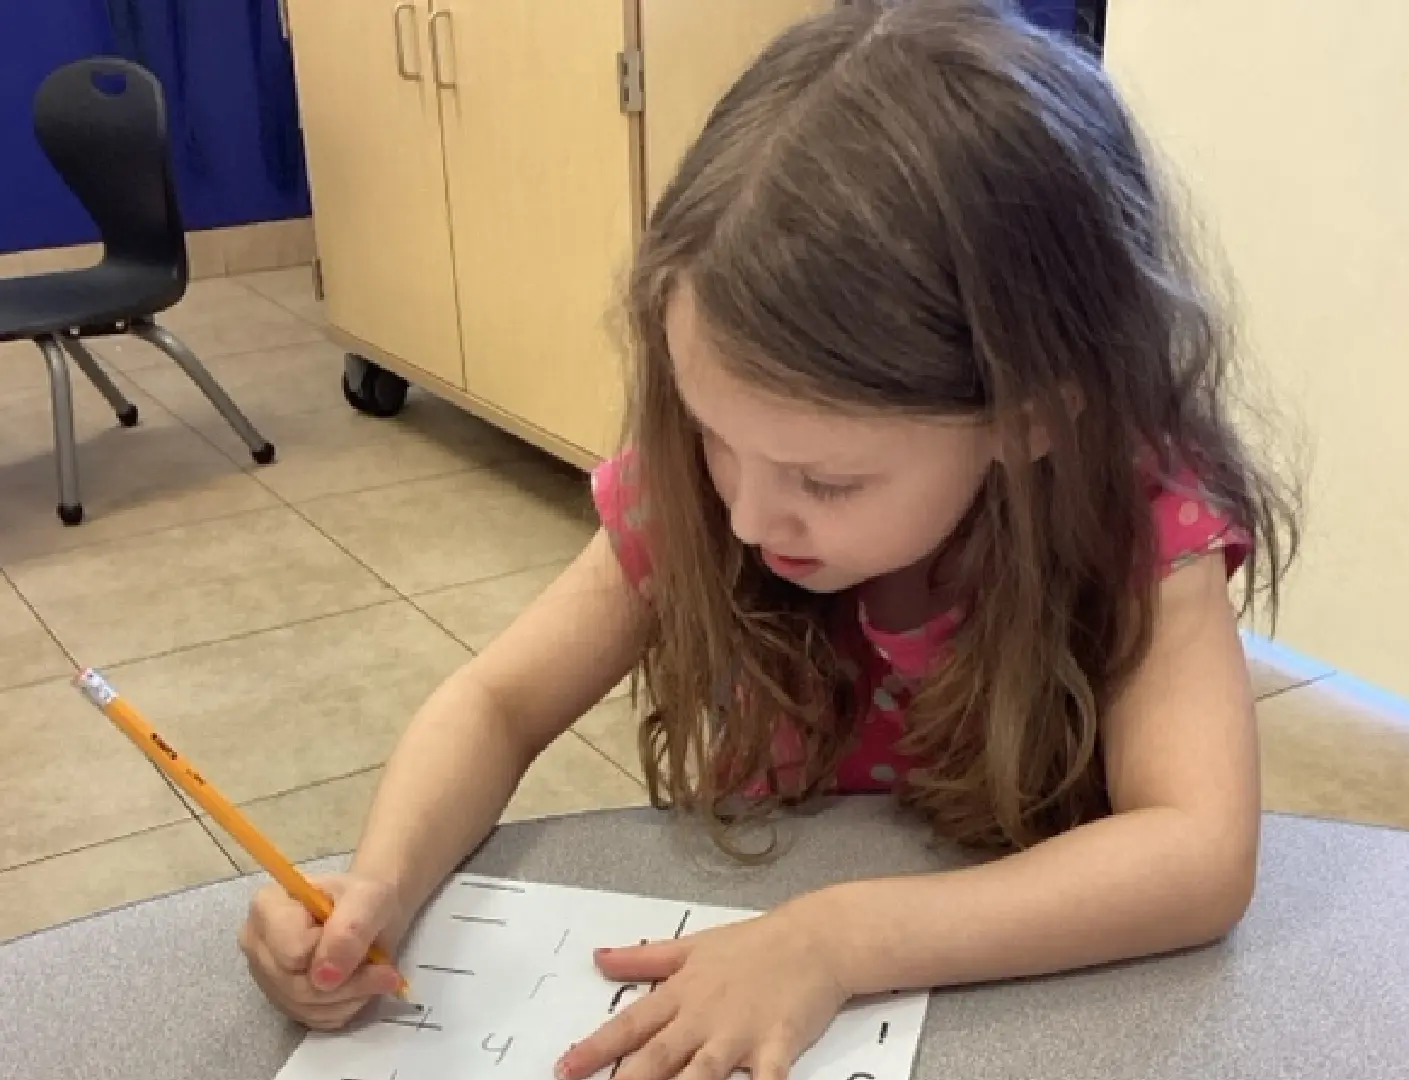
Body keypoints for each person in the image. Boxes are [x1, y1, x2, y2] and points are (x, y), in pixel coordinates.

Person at [239, 1, 1300, 1077]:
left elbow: (1198, 855)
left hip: (1042, 998)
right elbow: (497, 705)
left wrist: (845, 938)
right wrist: (379, 882)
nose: (746, 518)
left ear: (1030, 414)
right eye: (713, 437)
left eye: (826, 480)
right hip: (777, 933)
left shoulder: (1137, 521)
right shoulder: (704, 495)